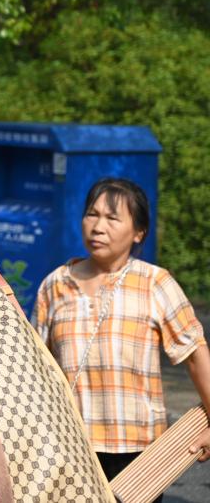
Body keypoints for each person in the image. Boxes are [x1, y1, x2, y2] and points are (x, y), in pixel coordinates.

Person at [32, 178, 210, 489]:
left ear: (139, 232)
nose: (98, 227)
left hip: (139, 450)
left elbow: (195, 355)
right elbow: (35, 365)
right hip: (68, 445)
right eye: (92, 214)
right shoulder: (55, 284)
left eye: (112, 218)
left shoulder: (155, 283)